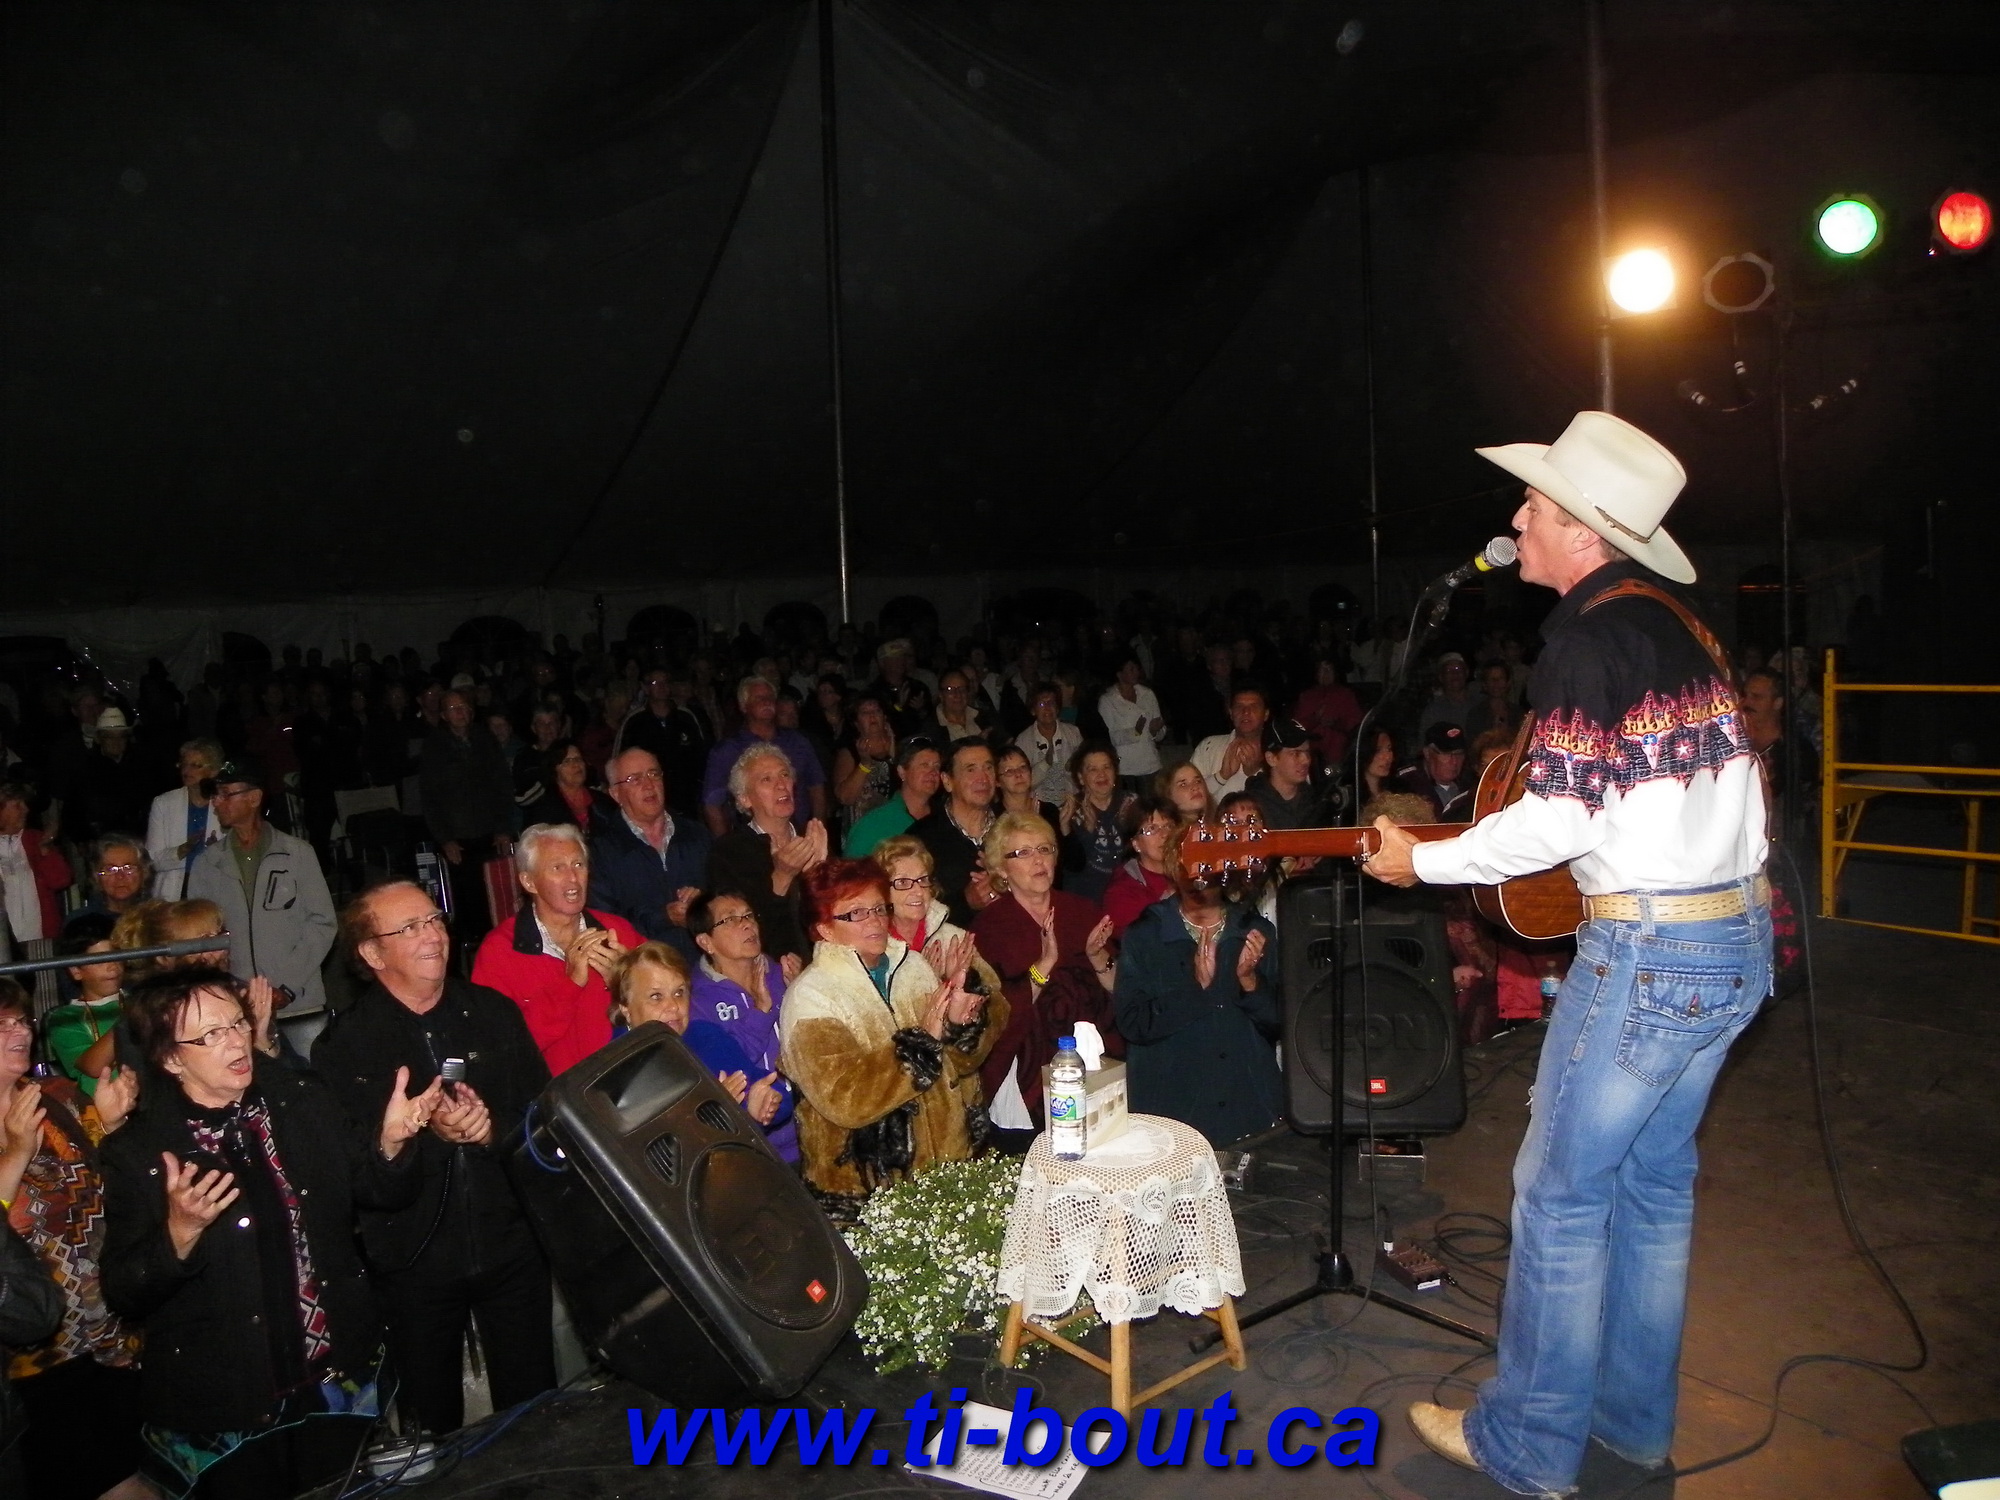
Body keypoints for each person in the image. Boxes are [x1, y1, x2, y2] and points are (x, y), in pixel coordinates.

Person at [1365, 412, 1771, 1497]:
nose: (1517, 517)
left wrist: (1422, 860)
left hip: (1648, 954)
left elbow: (1557, 819)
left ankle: (1529, 1444)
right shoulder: (1681, 629)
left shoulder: (1587, 640)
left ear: (1583, 531)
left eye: (1535, 504)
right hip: (1732, 939)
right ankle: (1631, 1433)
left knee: (1557, 1198)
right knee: (1653, 1191)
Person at [100, 966, 437, 1499]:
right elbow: (124, 1290)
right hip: (227, 1406)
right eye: (210, 1035)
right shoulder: (140, 1152)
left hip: (332, 1382)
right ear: (170, 1058)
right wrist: (180, 1231)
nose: (236, 1042)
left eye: (237, 1023)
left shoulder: (300, 1100)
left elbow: (380, 1191)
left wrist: (391, 1144)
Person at [314, 880, 555, 1437]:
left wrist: (491, 1129)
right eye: (410, 927)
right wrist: (420, 1138)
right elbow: (353, 1175)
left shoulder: (492, 1013)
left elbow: (543, 1118)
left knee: (535, 1417)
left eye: (434, 920)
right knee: (433, 1430)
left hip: (510, 1246)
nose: (432, 935)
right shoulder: (345, 1047)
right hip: (413, 1262)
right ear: (373, 954)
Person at [777, 860, 998, 1219]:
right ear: (825, 929)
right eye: (856, 913)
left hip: (948, 1165)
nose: (875, 921)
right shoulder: (811, 997)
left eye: (879, 908)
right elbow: (846, 1099)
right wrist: (922, 1044)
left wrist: (958, 1023)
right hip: (868, 1188)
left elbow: (961, 1066)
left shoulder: (913, 968)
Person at [0, 976, 147, 1500]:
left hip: (108, 1330)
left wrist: (110, 1124)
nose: (20, 1031)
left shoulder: (57, 1097)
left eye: (21, 1020)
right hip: (34, 1357)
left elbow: (108, 1185)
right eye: (1, 1024)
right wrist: (17, 1153)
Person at [1113, 824, 1282, 1146]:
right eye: (1190, 862)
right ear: (1174, 868)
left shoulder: (1255, 932)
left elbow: (1279, 1023)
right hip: (1173, 1114)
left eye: (1209, 863)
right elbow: (1132, 1023)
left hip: (1247, 1108)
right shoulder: (1146, 935)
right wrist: (1195, 989)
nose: (1200, 875)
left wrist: (1249, 981)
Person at [968, 813, 1119, 1147]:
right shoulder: (989, 928)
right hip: (1026, 1072)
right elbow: (993, 1016)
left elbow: (1119, 991)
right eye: (1023, 853)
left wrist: (1097, 958)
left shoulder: (1082, 911)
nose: (1038, 860)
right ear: (1001, 870)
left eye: (1044, 849)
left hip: (1094, 1063)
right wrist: (1043, 966)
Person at [472, 823, 641, 1076]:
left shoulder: (618, 932)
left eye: (578, 864)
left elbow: (667, 1010)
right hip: (550, 1093)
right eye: (557, 868)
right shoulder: (499, 952)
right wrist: (569, 984)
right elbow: (501, 1049)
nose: (573, 878)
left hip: (626, 1080)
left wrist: (626, 982)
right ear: (529, 882)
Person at [185, 758, 338, 1028]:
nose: (216, 802)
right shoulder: (207, 864)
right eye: (215, 795)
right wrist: (233, 989)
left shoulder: (297, 854)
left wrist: (286, 986)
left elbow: (322, 923)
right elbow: (199, 939)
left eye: (225, 794)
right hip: (237, 1009)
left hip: (299, 1001)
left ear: (254, 798)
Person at [608, 942, 790, 1143]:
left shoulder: (704, 1035)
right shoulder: (614, 1071)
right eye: (656, 997)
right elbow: (652, 1150)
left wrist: (763, 1103)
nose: (673, 1006)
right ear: (626, 1009)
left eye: (679, 993)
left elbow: (768, 1086)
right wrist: (716, 1113)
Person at [687, 893, 799, 1163]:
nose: (747, 924)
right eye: (730, 920)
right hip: (759, 1149)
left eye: (748, 915)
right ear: (706, 942)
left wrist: (801, 990)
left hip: (810, 1132)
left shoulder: (778, 973)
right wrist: (760, 1011)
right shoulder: (697, 1002)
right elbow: (731, 1072)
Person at [705, 745, 827, 962]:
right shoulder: (728, 853)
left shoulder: (812, 837)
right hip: (769, 968)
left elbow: (834, 918)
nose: (781, 785)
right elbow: (743, 932)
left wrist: (819, 874)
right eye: (766, 780)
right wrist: (781, 877)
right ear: (745, 799)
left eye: (785, 775)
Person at [588, 747, 712, 961]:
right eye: (635, 779)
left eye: (654, 774)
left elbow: (726, 898)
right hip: (644, 968)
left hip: (706, 964)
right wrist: (664, 917)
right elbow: (604, 925)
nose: (648, 785)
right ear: (616, 794)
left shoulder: (697, 835)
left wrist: (702, 903)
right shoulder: (600, 852)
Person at [874, 836, 1003, 1012]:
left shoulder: (954, 940)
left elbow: (996, 1009)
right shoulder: (874, 949)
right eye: (903, 882)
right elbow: (878, 1022)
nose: (918, 891)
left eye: (922, 880)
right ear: (881, 890)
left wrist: (954, 984)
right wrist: (925, 983)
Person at [701, 677, 828, 837]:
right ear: (743, 706)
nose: (766, 702)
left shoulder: (797, 742)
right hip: (750, 841)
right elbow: (712, 804)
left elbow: (816, 788)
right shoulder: (727, 751)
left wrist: (817, 832)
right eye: (759, 698)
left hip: (798, 835)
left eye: (770, 698)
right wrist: (727, 845)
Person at [910, 739, 1000, 927]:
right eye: (971, 770)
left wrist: (1007, 883)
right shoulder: (920, 838)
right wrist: (965, 902)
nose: (983, 778)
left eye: (988, 768)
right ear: (947, 781)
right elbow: (909, 911)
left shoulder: (1012, 828)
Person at [45, 915, 126, 1092]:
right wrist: (134, 1015)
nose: (112, 966)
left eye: (117, 955)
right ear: (76, 971)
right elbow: (93, 1067)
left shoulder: (137, 999)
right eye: (100, 960)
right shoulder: (65, 1019)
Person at [146, 739, 224, 901]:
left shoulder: (225, 802)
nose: (186, 770)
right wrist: (182, 850)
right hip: (173, 892)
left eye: (195, 765)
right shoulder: (164, 803)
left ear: (214, 771)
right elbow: (152, 860)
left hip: (215, 889)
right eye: (184, 764)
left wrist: (217, 850)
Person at [1057, 742, 1132, 905]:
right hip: (1085, 899)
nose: (1101, 774)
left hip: (1127, 896)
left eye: (1107, 767)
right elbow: (1072, 866)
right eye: (1092, 769)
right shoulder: (1070, 811)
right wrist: (1085, 832)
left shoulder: (1132, 804)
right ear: (1080, 778)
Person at [842, 738, 942, 858]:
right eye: (924, 765)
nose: (933, 772)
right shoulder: (875, 824)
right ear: (902, 772)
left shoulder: (944, 818)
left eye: (937, 766)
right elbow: (853, 866)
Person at [0, 782, 71, 948]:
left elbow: (61, 881)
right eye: (18, 805)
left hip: (39, 939)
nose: (25, 810)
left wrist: (45, 850)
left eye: (25, 804)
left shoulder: (36, 839)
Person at [1101, 795, 1178, 938]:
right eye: (1152, 829)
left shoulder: (1192, 871)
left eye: (1169, 826)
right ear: (1136, 844)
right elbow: (1141, 943)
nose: (1164, 835)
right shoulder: (1121, 892)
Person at [1245, 717, 1331, 831]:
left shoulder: (1317, 803)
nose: (1306, 760)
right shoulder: (1251, 807)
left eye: (1307, 752)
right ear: (1271, 759)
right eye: (1296, 753)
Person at [1189, 685, 1271, 804]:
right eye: (1239, 706)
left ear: (1266, 714)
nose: (1246, 712)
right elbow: (1187, 797)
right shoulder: (1209, 746)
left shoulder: (1279, 752)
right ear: (1231, 713)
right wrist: (1221, 776)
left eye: (1254, 706)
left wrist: (1256, 773)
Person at [1098, 655, 1166, 791]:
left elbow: (1160, 730)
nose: (1136, 672)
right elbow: (1110, 737)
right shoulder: (1108, 700)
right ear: (1119, 674)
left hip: (1150, 763)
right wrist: (1135, 731)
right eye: (1131, 669)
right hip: (1125, 767)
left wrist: (1155, 730)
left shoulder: (1147, 694)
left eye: (1137, 669)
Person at [830, 694, 897, 830]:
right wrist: (865, 764)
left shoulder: (901, 747)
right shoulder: (849, 753)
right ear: (856, 723)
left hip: (896, 825)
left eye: (877, 711)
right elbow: (844, 797)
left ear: (884, 717)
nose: (872, 716)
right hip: (863, 829)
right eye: (865, 712)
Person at [1013, 685, 1082, 808]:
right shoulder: (1023, 740)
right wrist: (1044, 765)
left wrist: (1071, 766)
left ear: (1058, 708)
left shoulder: (1073, 733)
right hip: (1038, 807)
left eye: (1052, 703)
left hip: (1072, 803)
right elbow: (1022, 783)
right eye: (1041, 704)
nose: (1047, 708)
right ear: (1033, 710)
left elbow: (1083, 775)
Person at [1292, 652, 1363, 771]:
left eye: (1329, 670)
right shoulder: (1306, 696)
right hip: (1311, 756)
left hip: (1339, 754)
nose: (1326, 673)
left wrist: (1336, 724)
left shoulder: (1346, 695)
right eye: (1322, 670)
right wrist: (1315, 719)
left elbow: (1356, 723)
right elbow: (1297, 726)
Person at [1395, 722, 1474, 822]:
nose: (1454, 761)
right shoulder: (1405, 784)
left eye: (1459, 754)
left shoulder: (1470, 785)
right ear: (1427, 753)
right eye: (1446, 754)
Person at [77, 834, 153, 919]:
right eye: (110, 869)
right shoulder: (80, 922)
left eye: (128, 868)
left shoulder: (157, 918)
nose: (120, 876)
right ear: (96, 876)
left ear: (144, 873)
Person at [994, 743, 1062, 831]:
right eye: (1009, 771)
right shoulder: (993, 816)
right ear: (997, 781)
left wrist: (1066, 828)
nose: (1018, 774)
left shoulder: (1049, 811)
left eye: (1022, 767)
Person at [1419, 651, 1477, 738]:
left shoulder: (1480, 702)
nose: (1455, 674)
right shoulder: (1433, 711)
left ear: (1466, 673)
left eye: (1458, 669)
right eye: (1448, 670)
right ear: (1441, 677)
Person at [931, 669, 988, 747]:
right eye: (950, 689)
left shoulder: (985, 717)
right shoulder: (931, 728)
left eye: (962, 689)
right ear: (941, 695)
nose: (957, 694)